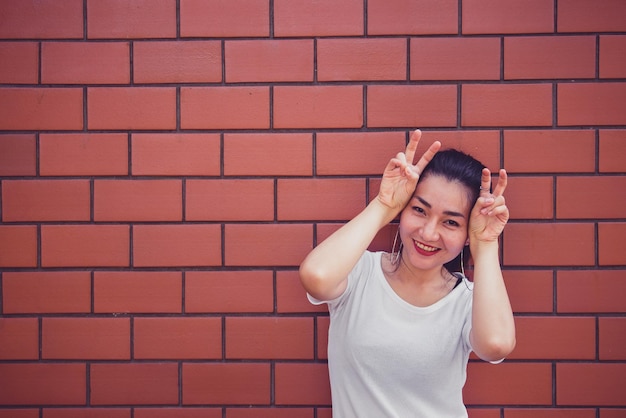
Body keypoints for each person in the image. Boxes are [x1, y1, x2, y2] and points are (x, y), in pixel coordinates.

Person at [299, 129, 516, 417]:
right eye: (419, 210)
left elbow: (496, 345)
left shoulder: (468, 301)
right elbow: (316, 276)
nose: (428, 232)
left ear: (467, 234)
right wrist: (384, 205)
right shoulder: (359, 273)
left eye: (451, 222)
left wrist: (486, 244)